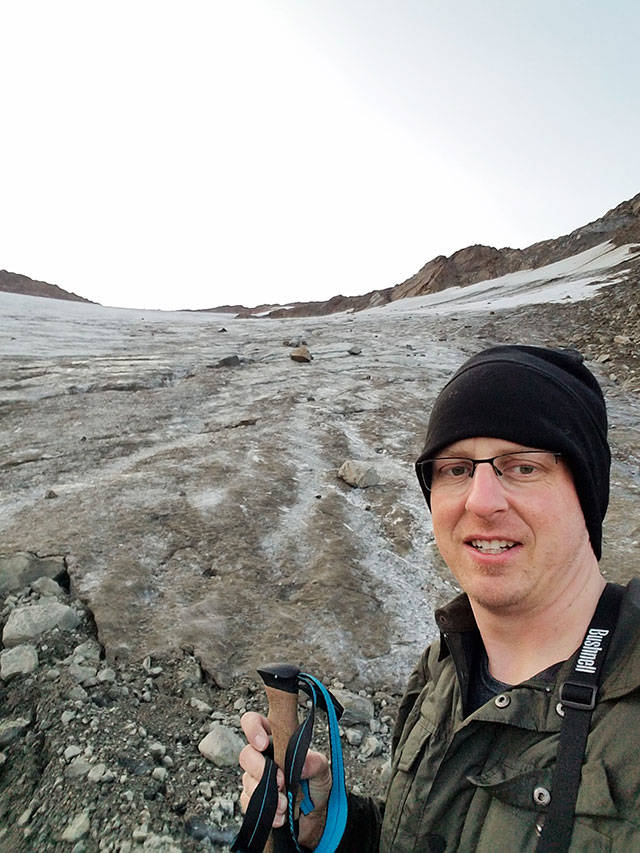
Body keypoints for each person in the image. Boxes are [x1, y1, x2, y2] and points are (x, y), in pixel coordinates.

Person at [238, 345, 640, 851]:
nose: (482, 500)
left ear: (587, 493)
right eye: (456, 469)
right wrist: (329, 827)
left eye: (522, 467)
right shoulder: (443, 666)